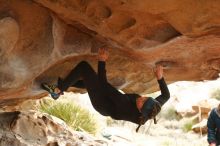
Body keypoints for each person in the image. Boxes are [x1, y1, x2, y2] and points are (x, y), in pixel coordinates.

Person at [41, 48, 170, 132]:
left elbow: (103, 84)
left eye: (142, 102)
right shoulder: (153, 107)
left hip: (102, 104)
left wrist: (101, 61)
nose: (142, 98)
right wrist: (160, 78)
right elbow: (166, 95)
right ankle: (63, 84)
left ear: (140, 110)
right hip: (111, 102)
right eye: (146, 98)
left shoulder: (124, 105)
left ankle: (57, 91)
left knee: (84, 67)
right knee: (90, 82)